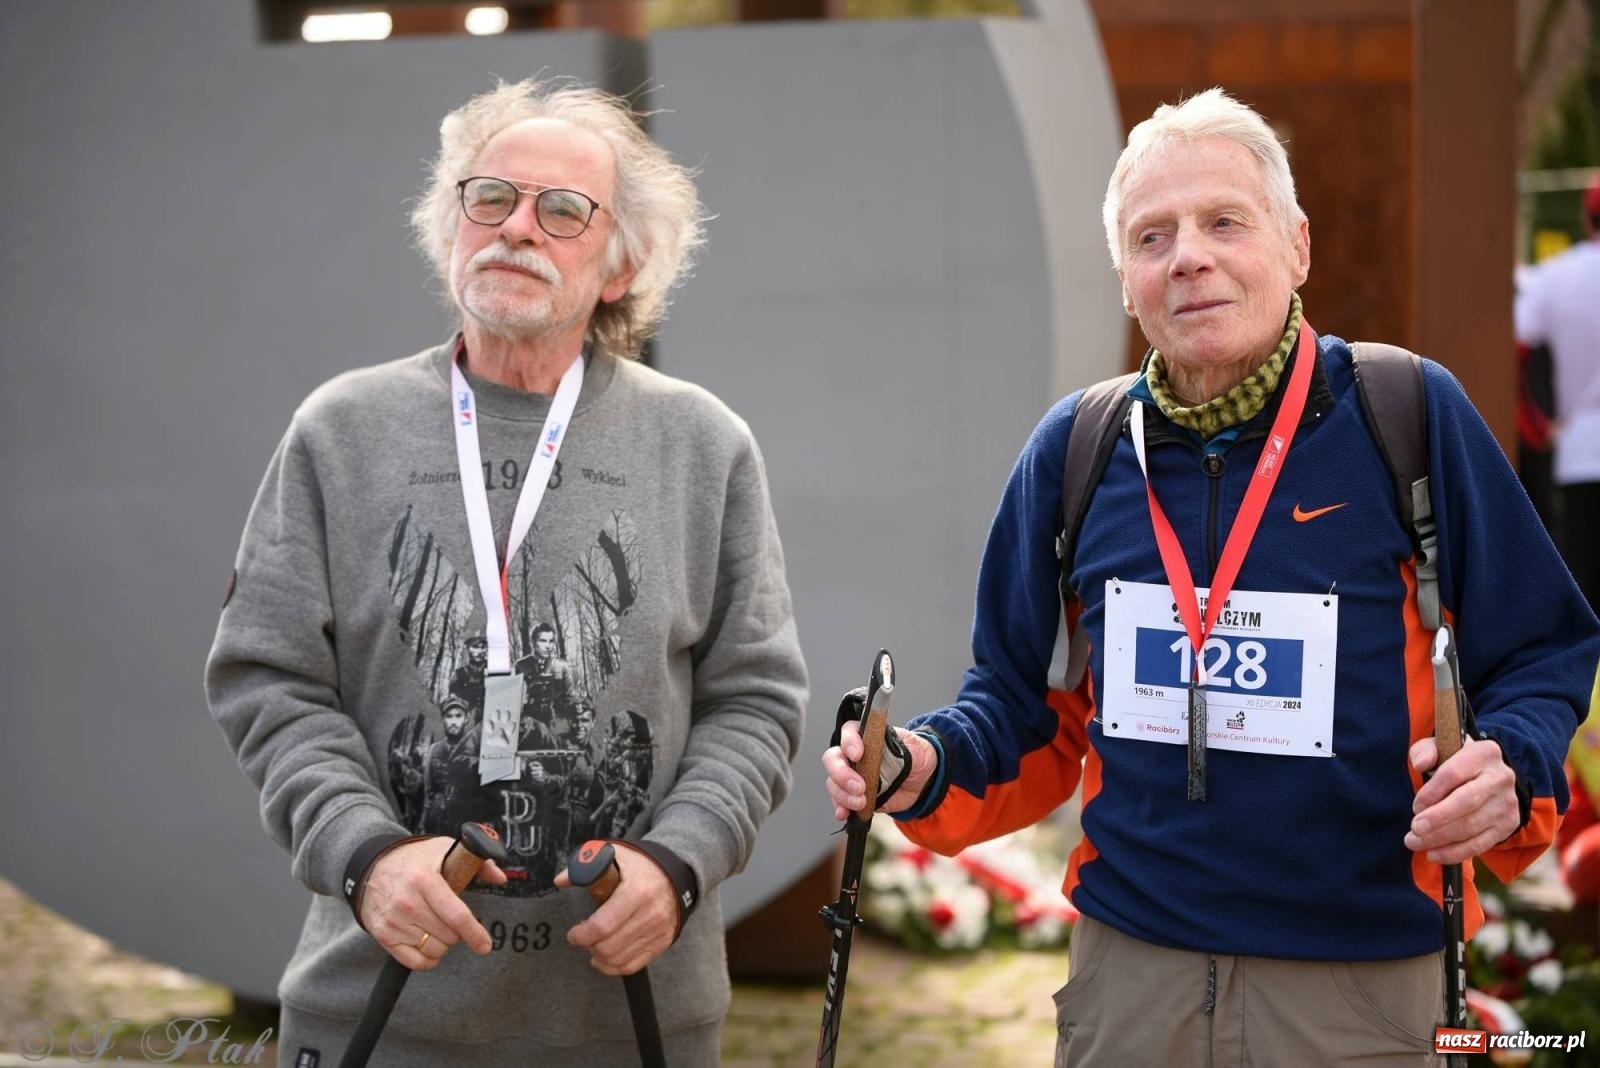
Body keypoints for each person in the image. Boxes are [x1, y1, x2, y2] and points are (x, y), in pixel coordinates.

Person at [823, 89, 1598, 1065]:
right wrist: (911, 766)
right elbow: (1017, 706)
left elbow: (1542, 647)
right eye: (1152, 236)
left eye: (1223, 221)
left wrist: (1510, 762)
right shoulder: (1077, 449)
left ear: (1296, 246)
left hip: (1360, 981)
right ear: (1125, 280)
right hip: (1130, 974)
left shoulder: (1405, 412)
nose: (1187, 254)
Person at [207, 78, 807, 1066]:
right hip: (381, 1015)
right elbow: (266, 678)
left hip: (631, 1020)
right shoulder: (339, 433)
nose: (517, 228)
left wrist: (678, 867)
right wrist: (364, 856)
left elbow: (756, 702)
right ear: (451, 227)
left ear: (621, 268)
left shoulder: (701, 447)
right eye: (490, 197)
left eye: (563, 211)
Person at [1515, 176, 1600, 611]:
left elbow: (1516, 346)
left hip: (1580, 446)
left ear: (1587, 219)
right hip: (1577, 445)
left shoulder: (1556, 277)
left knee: (1583, 578)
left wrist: (1535, 425)